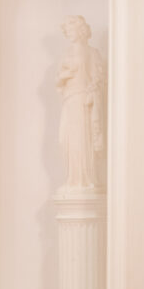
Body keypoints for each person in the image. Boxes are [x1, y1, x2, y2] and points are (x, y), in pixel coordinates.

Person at [56, 15, 105, 189]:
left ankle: (85, 179)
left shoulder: (92, 53)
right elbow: (59, 80)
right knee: (66, 138)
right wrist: (64, 76)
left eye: (71, 29)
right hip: (70, 100)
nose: (69, 33)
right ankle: (73, 179)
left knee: (83, 139)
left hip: (83, 100)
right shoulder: (66, 54)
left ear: (80, 30)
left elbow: (98, 79)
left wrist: (93, 92)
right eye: (67, 30)